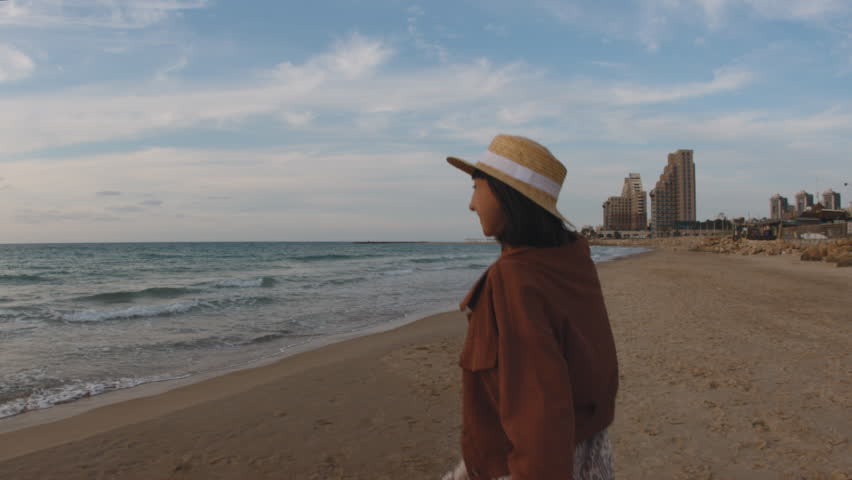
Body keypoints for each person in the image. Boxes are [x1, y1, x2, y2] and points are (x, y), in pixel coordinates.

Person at [441, 134, 619, 480]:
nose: (472, 204)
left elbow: (538, 410)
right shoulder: (571, 261)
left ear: (506, 196)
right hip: (589, 456)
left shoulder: (515, 279)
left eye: (476, 188)